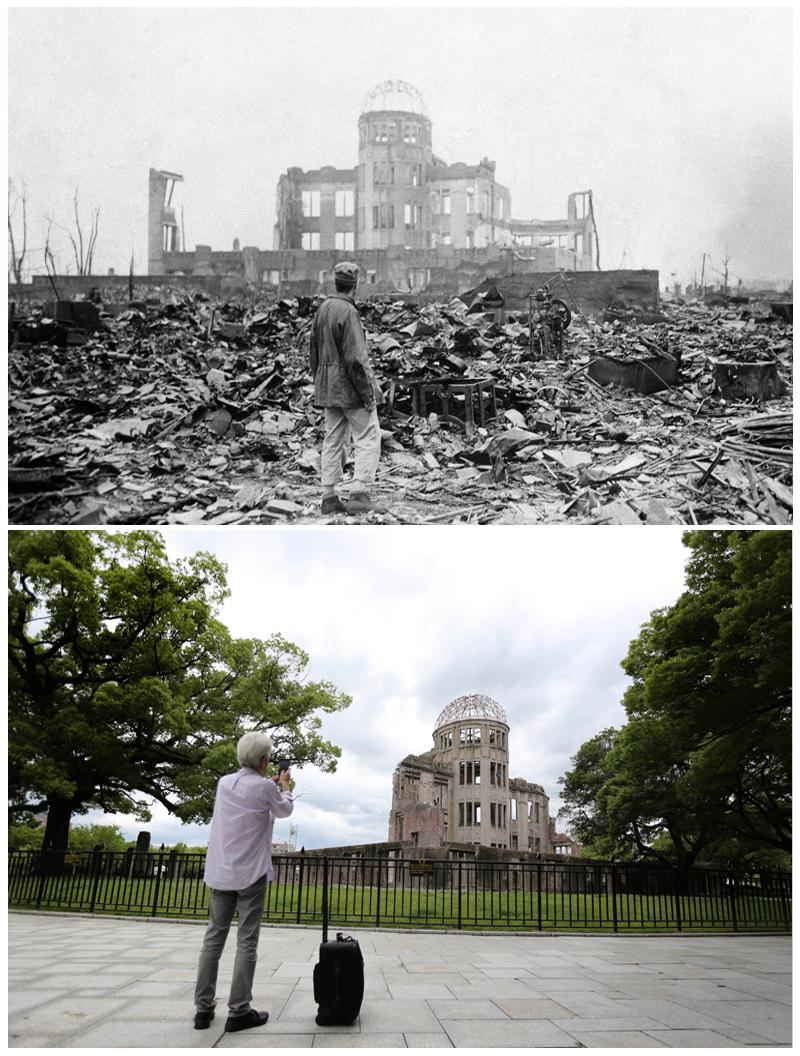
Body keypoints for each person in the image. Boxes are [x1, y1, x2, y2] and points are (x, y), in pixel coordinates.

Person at [193, 731, 294, 1033]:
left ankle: (203, 1009)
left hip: (222, 872)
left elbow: (249, 794)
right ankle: (238, 1010)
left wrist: (269, 785)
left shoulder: (224, 783)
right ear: (264, 761)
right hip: (251, 873)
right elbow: (284, 809)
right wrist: (285, 787)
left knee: (213, 938)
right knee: (246, 941)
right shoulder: (266, 788)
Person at [309, 261, 383, 515]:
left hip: (328, 388)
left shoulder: (323, 309)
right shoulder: (349, 312)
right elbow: (355, 359)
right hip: (350, 389)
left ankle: (329, 497)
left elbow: (313, 353)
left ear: (336, 282)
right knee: (368, 435)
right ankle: (359, 493)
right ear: (355, 285)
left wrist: (322, 382)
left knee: (333, 438)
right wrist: (367, 393)